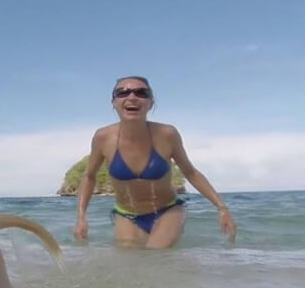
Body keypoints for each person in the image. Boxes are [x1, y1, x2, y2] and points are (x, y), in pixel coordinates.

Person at [74, 76, 237, 248]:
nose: (131, 97)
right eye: (122, 93)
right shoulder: (103, 138)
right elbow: (89, 176)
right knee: (126, 264)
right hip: (126, 214)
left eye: (141, 92)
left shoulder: (167, 134)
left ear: (150, 103)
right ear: (114, 102)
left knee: (156, 253)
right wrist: (81, 217)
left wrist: (222, 208)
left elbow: (191, 172)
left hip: (168, 210)